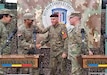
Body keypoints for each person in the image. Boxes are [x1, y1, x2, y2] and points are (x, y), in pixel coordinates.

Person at [0, 9, 14, 75]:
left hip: (5, 55)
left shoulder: (4, 26)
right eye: (9, 16)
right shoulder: (0, 26)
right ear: (4, 16)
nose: (11, 18)